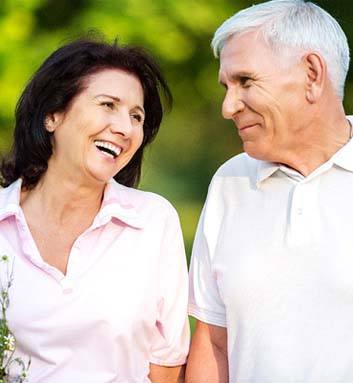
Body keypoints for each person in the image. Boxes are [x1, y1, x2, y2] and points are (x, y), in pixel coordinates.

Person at [0, 37, 189, 382]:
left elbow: (167, 361)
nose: (124, 128)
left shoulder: (153, 221)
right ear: (52, 115)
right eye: (108, 105)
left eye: (136, 116)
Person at [186, 1, 353, 382]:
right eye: (227, 87)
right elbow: (213, 343)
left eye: (245, 81)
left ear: (312, 74)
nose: (228, 107)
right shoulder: (229, 182)